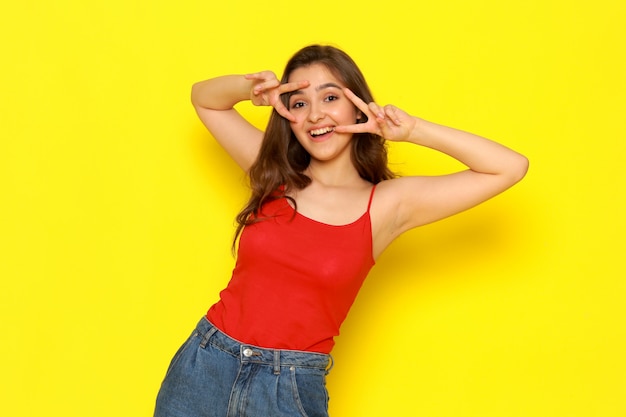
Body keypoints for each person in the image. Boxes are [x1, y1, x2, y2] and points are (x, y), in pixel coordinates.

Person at [154, 44, 528, 417]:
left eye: (330, 97)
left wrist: (413, 130)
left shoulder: (386, 205)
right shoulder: (272, 174)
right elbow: (204, 99)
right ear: (288, 116)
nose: (315, 114)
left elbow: (509, 167)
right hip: (205, 366)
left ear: (357, 105)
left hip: (288, 388)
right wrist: (250, 89)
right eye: (299, 103)